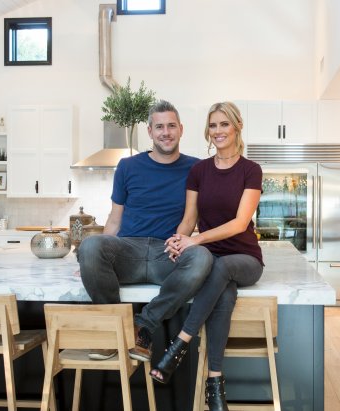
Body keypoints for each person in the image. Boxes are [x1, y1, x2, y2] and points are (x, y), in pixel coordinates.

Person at [77, 100, 213, 362]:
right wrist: (90, 259)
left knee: (202, 257)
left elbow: (192, 217)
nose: (166, 132)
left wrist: (181, 242)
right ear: (149, 132)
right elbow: (114, 220)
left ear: (181, 129)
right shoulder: (128, 167)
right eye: (159, 126)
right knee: (91, 245)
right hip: (129, 249)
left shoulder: (197, 168)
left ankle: (143, 325)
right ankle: (112, 332)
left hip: (168, 253)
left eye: (171, 126)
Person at [149, 101, 264, 411]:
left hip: (245, 259)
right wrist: (179, 239)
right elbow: (189, 217)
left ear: (237, 127)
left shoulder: (250, 170)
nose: (218, 131)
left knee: (223, 266)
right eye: (213, 125)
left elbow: (241, 223)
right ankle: (215, 386)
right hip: (213, 262)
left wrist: (196, 240)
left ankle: (180, 343)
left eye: (224, 124)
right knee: (222, 291)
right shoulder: (199, 170)